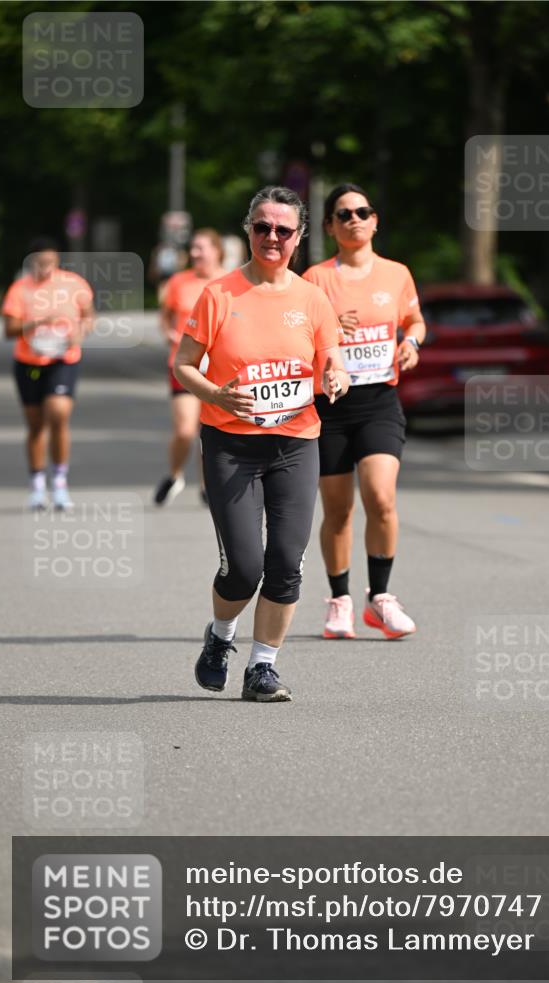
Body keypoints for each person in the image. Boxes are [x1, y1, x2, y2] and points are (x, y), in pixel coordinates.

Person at [173, 186, 349, 702]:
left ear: (299, 237)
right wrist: (216, 394)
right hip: (231, 445)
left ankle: (262, 668)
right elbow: (184, 364)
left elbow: (331, 359)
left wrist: (335, 377)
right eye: (262, 227)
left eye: (283, 230)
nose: (272, 237)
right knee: (243, 569)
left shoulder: (313, 299)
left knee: (286, 563)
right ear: (248, 230)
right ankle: (221, 636)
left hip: (296, 441)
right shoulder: (219, 294)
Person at [303, 183, 426, 640]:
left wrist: (411, 342)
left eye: (363, 211)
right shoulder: (315, 279)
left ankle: (381, 599)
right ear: (331, 227)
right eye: (344, 213)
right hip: (330, 406)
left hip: (379, 402)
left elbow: (414, 320)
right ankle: (340, 601)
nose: (354, 218)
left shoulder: (396, 274)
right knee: (337, 512)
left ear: (376, 221)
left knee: (381, 497)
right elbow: (297, 335)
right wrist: (331, 327)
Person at [1, 237, 94, 510]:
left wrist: (81, 330)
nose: (46, 268)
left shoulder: (73, 284)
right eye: (41, 263)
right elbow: (8, 330)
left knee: (58, 415)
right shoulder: (20, 289)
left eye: (51, 262)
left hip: (63, 359)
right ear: (31, 263)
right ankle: (37, 484)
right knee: (36, 426)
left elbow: (88, 315)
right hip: (29, 363)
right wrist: (37, 322)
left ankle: (61, 483)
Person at [154, 228, 226, 506]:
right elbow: (165, 317)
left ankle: (207, 486)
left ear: (216, 251)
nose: (195, 253)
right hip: (183, 365)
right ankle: (175, 475)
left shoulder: (232, 281)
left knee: (210, 430)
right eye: (193, 248)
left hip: (220, 366)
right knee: (186, 430)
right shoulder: (178, 282)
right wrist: (169, 333)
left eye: (201, 248)